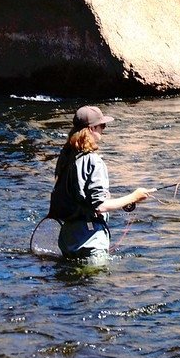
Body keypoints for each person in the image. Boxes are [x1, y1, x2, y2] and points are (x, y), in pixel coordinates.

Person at [51, 105, 152, 266]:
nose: (103, 129)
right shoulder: (93, 161)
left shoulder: (65, 156)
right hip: (90, 241)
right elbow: (99, 206)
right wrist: (134, 196)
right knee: (97, 287)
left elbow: (80, 197)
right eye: (102, 125)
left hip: (68, 237)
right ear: (91, 129)